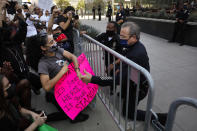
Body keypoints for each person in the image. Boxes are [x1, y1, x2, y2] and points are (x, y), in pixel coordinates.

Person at [81, 22, 167, 127]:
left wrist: (93, 79)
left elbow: (116, 79)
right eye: (120, 35)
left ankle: (160, 117)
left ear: (134, 37)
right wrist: (118, 68)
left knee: (128, 113)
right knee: (125, 98)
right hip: (131, 81)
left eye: (123, 36)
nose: (120, 38)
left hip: (138, 87)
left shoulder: (137, 53)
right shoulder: (130, 45)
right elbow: (124, 57)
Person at [26, 34, 89, 123]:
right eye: (51, 42)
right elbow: (46, 87)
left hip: (68, 87)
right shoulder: (43, 64)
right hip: (59, 93)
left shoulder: (57, 50)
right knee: (70, 115)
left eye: (54, 40)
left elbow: (72, 57)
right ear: (43, 48)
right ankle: (41, 119)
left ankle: (50, 98)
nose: (55, 43)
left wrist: (77, 70)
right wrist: (62, 72)